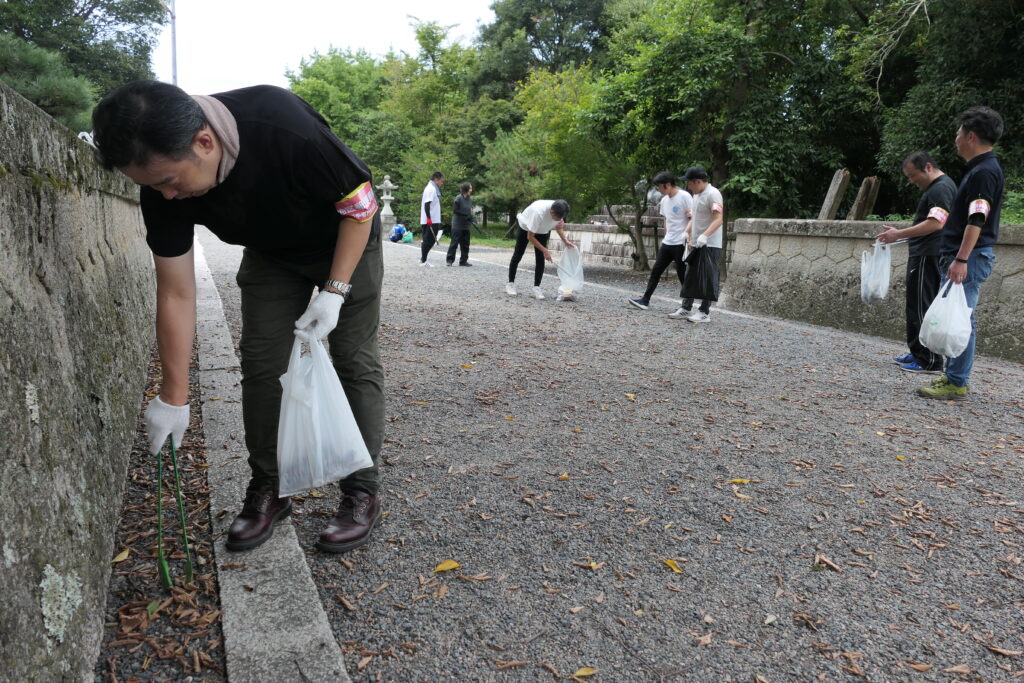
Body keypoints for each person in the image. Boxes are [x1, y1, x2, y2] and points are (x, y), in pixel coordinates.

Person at [91, 81, 385, 555]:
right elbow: (177, 291)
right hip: (272, 254)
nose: (166, 197)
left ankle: (361, 490)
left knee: (353, 357)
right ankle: (270, 485)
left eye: (170, 181)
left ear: (204, 143)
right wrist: (174, 396)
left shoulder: (282, 125)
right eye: (152, 187)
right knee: (263, 363)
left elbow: (359, 205)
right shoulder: (159, 186)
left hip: (345, 236)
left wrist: (334, 292)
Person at [917, 106, 1004, 400]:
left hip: (970, 255)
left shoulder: (984, 172)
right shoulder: (979, 169)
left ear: (970, 136)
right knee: (960, 315)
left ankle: (956, 380)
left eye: (957, 133)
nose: (954, 139)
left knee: (962, 318)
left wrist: (962, 258)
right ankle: (953, 376)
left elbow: (977, 218)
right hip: (965, 254)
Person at [874, 151, 956, 373]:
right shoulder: (936, 188)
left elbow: (936, 223)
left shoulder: (941, 188)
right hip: (923, 251)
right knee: (915, 303)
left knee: (922, 305)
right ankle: (918, 350)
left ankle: (928, 360)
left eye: (912, 175)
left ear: (928, 167)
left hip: (930, 252)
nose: (911, 181)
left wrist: (899, 234)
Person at [629, 171, 693, 311]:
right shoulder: (664, 200)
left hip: (680, 242)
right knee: (656, 270)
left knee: (682, 274)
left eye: (660, 187)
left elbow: (692, 218)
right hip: (668, 242)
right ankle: (645, 300)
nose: (658, 189)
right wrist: (666, 234)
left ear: (668, 185)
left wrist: (688, 237)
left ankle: (687, 305)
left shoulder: (685, 196)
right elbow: (666, 219)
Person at [675, 166, 724, 322]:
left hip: (710, 244)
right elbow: (695, 218)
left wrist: (705, 236)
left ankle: (704, 312)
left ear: (697, 181)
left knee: (707, 277)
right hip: (696, 243)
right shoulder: (696, 195)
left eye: (689, 183)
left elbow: (719, 219)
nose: (688, 187)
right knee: (690, 276)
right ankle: (686, 307)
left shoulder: (713, 194)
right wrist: (687, 232)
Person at [506, 199, 576, 299]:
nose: (560, 219)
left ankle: (537, 287)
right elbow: (530, 237)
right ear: (551, 212)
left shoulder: (560, 209)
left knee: (540, 259)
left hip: (543, 230)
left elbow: (559, 227)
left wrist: (565, 241)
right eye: (558, 218)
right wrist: (545, 250)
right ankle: (510, 283)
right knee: (518, 255)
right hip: (526, 228)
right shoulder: (538, 212)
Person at [419, 171, 444, 266]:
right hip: (430, 219)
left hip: (434, 218)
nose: (442, 183)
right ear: (436, 180)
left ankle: (423, 258)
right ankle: (423, 260)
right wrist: (428, 218)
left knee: (431, 240)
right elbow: (427, 204)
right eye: (441, 181)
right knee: (428, 240)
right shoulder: (431, 189)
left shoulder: (433, 188)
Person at [447, 182, 474, 266]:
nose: (471, 190)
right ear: (466, 189)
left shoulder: (469, 199)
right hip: (457, 225)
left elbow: (469, 210)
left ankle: (463, 261)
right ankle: (450, 260)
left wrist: (471, 217)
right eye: (470, 188)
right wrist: (465, 215)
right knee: (454, 243)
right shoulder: (458, 198)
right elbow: (455, 210)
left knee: (465, 244)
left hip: (466, 225)